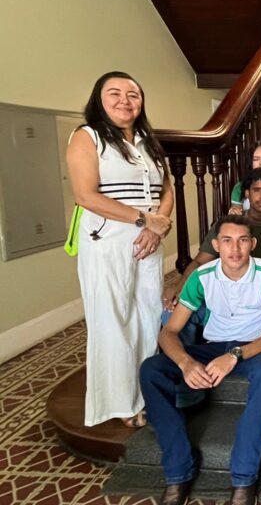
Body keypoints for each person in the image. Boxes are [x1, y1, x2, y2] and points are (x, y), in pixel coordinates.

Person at [140, 215, 261, 505]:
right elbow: (169, 332)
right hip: (211, 347)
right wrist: (185, 362)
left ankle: (244, 477)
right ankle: (178, 471)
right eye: (228, 241)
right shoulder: (202, 275)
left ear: (252, 243)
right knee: (151, 369)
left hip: (251, 348)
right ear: (217, 245)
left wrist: (234, 355)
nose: (235, 248)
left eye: (242, 240)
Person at [163, 168, 261, 436]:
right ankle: (189, 388)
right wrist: (179, 287)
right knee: (170, 315)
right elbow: (200, 261)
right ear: (247, 193)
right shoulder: (230, 224)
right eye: (257, 190)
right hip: (223, 292)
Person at [66, 71, 173, 428]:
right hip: (107, 241)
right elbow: (85, 195)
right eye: (115, 93)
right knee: (113, 321)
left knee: (147, 316)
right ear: (99, 99)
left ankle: (146, 393)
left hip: (148, 241)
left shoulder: (147, 141)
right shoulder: (88, 137)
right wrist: (145, 220)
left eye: (133, 94)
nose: (125, 101)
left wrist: (158, 224)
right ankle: (121, 403)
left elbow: (166, 187)